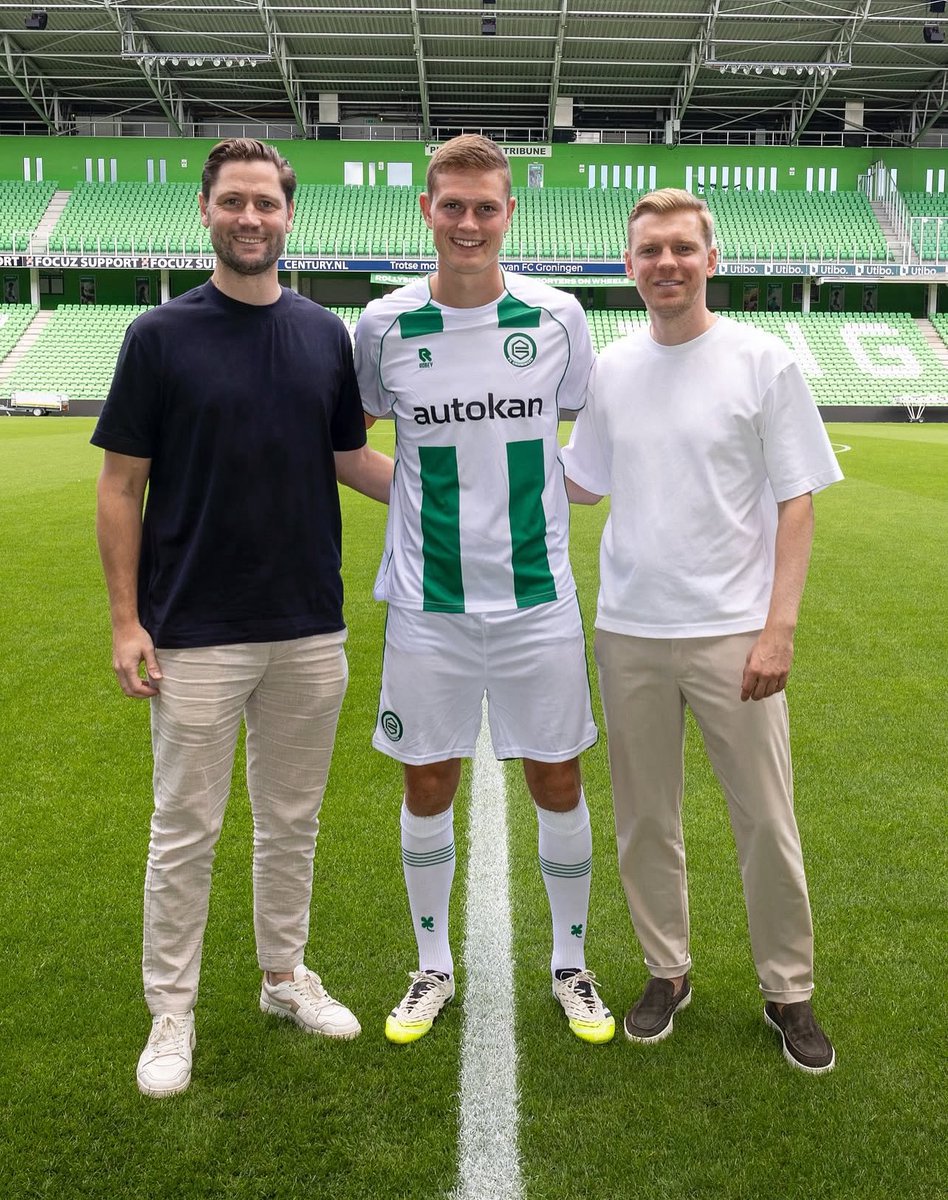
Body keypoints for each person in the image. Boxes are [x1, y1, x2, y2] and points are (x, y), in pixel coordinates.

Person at [92, 138, 393, 1098]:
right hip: (193, 632)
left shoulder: (321, 334)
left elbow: (350, 459)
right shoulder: (158, 336)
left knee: (291, 820)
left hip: (309, 624)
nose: (250, 217)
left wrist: (469, 500)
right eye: (234, 202)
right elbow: (119, 485)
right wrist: (124, 620)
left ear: (289, 214)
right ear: (208, 211)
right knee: (185, 826)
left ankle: (281, 977)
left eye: (266, 202)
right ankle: (170, 1011)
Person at [563, 188, 842, 1074]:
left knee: (765, 817)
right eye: (649, 252)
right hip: (630, 630)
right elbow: (581, 483)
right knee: (645, 818)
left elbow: (797, 500)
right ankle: (665, 971)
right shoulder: (610, 368)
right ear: (629, 265)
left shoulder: (764, 361)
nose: (666, 265)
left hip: (734, 633)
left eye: (682, 249)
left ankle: (788, 989)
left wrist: (779, 628)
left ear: (710, 259)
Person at [353, 135, 614, 1046]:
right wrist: (427, 500)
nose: (469, 223)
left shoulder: (557, 318)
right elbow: (355, 447)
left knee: (557, 776)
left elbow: (585, 433)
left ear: (510, 214)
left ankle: (570, 965)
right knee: (428, 779)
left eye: (486, 207)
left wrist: (547, 492)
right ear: (427, 210)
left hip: (539, 601)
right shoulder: (382, 327)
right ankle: (432, 966)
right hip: (429, 607)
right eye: (452, 205)